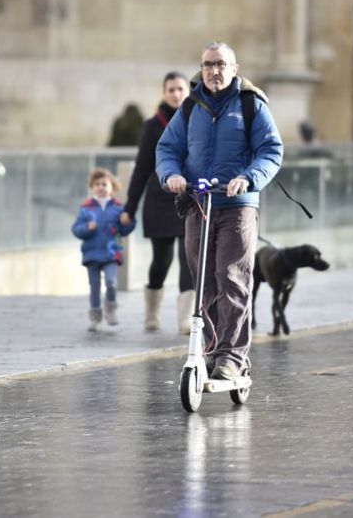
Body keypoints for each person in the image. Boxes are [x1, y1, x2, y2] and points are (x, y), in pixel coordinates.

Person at [156, 41, 284, 381]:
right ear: (201, 68)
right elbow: (167, 147)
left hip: (238, 206)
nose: (214, 71)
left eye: (221, 64)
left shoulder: (250, 104)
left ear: (234, 68)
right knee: (204, 283)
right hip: (200, 203)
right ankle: (211, 350)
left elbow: (271, 150)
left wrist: (248, 177)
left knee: (232, 278)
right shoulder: (190, 107)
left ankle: (233, 356)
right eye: (208, 65)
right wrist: (171, 175)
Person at [121, 72, 195, 333]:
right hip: (159, 202)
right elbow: (142, 169)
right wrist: (129, 207)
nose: (176, 94)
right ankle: (152, 312)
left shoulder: (197, 119)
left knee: (189, 257)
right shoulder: (153, 125)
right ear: (164, 93)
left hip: (190, 200)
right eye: (171, 89)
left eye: (180, 89)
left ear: (188, 90)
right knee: (160, 262)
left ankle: (185, 318)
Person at [72, 168, 136, 332]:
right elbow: (76, 229)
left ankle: (111, 309)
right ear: (92, 187)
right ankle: (95, 316)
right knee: (94, 286)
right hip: (91, 253)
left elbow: (125, 230)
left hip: (111, 252)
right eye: (97, 184)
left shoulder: (118, 208)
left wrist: (128, 221)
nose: (100, 187)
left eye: (104, 184)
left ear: (112, 187)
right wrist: (87, 227)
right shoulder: (86, 209)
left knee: (111, 282)